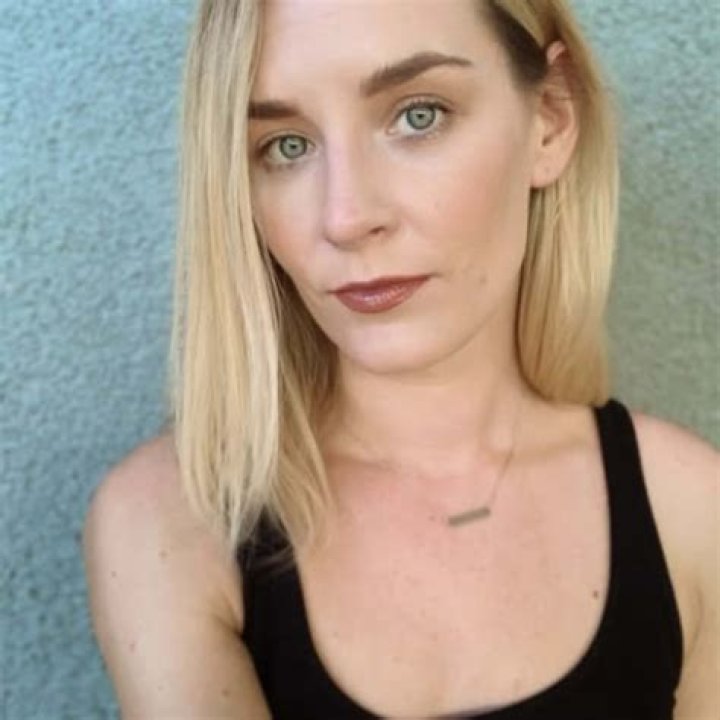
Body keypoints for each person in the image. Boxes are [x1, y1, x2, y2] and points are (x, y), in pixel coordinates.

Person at [83, 0, 719, 717]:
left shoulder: (693, 511)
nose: (347, 217)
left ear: (550, 116)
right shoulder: (173, 525)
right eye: (285, 146)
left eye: (419, 115)